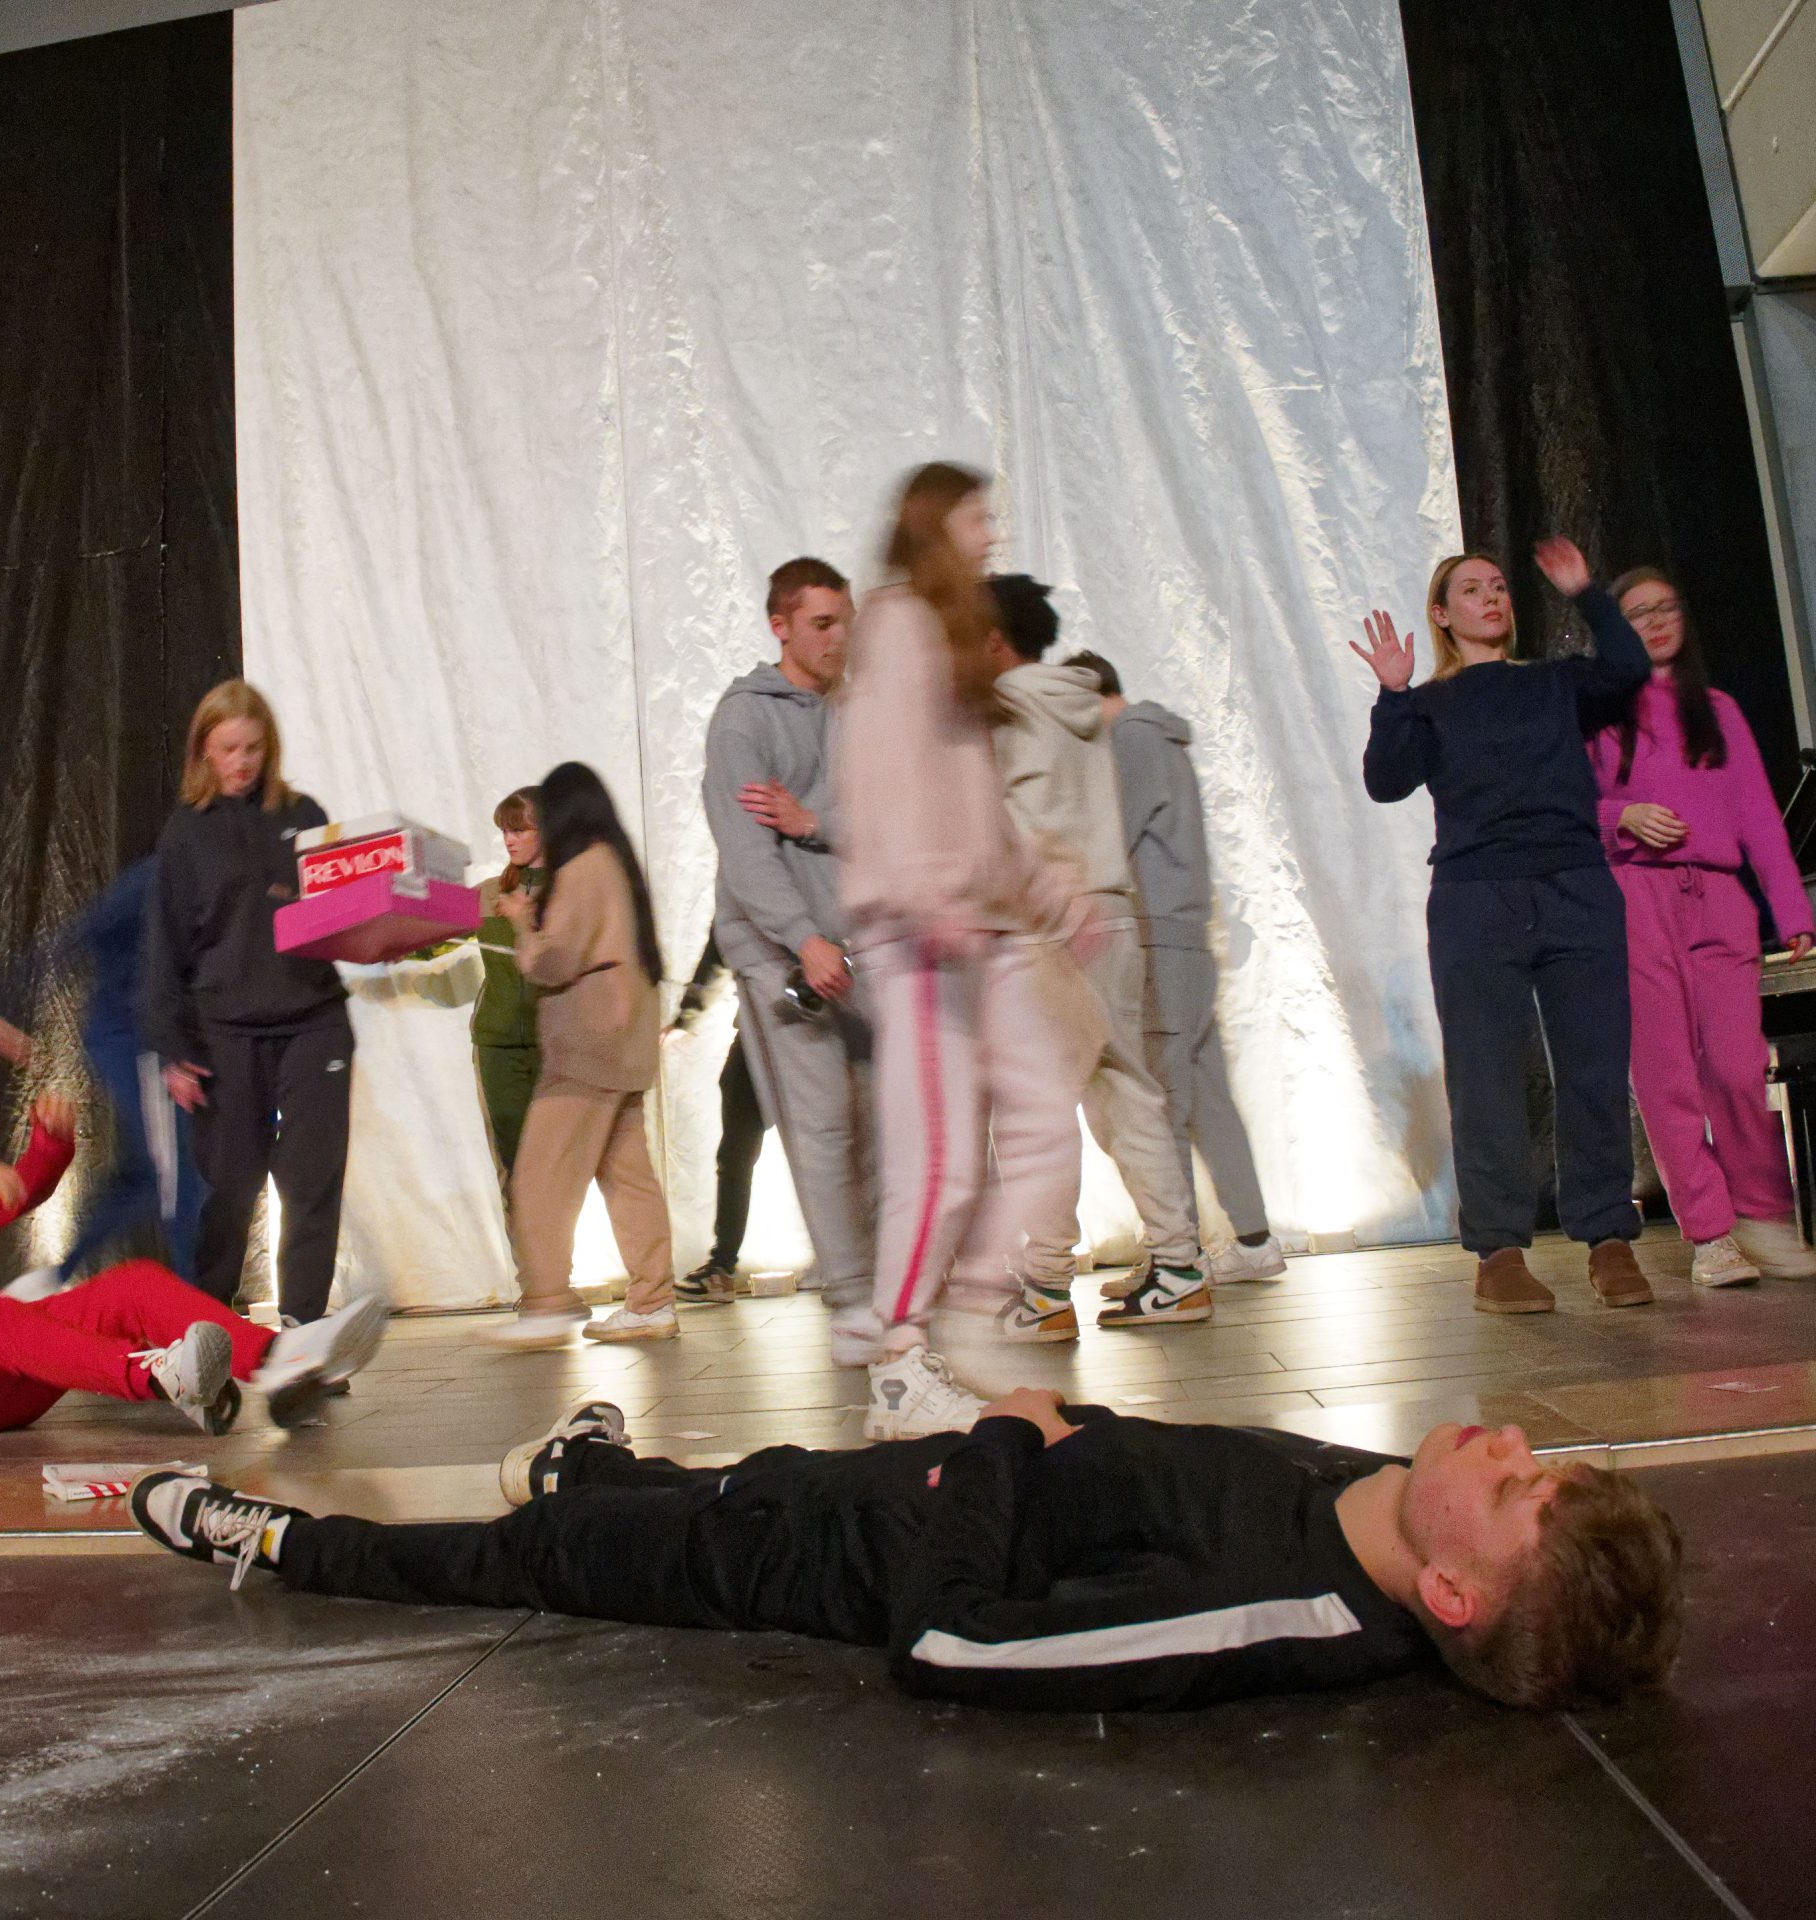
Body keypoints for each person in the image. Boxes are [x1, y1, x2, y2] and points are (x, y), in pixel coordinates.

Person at [129, 1392, 1683, 1716]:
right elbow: (1158, 1472)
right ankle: (594, 1461)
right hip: (873, 1483)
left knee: (528, 1553)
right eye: (1537, 1458)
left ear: (1455, 1595)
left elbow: (953, 1645)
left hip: (806, 1557)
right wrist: (1056, 1426)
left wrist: (1004, 1438)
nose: (1505, 1441)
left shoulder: (1274, 1612)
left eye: (1519, 1487)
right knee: (690, 1480)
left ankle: (277, 1537)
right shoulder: (1372, 1488)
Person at [834, 462, 1092, 1437]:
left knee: (1044, 1120)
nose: (991, 534)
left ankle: (973, 1308)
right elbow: (880, 777)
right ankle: (899, 1358)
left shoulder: (945, 636)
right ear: (935, 524)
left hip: (984, 926)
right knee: (939, 1157)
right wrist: (922, 892)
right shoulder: (897, 624)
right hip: (921, 935)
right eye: (977, 517)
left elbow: (975, 805)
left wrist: (1047, 891)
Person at [0, 1067, 387, 1438]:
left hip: (0, 1372)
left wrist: (49, 1147)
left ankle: (277, 1361)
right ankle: (160, 1376)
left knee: (130, 1284)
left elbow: (13, 1193)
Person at [1359, 541, 1654, 1313]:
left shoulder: (1555, 683)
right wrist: (1393, 694)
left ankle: (1608, 1238)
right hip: (1476, 897)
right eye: (1471, 589)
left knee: (1594, 1068)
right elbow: (1386, 781)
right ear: (1442, 613)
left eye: (1498, 586)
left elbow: (1629, 670)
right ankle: (1498, 1253)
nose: (1491, 597)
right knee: (1484, 1076)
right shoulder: (1431, 701)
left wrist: (1587, 592)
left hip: (1575, 886)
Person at [986, 576, 1210, 1337]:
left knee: (1033, 1113)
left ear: (991, 638)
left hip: (1047, 927)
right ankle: (1180, 1267)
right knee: (1127, 1094)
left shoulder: (1003, 711)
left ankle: (1046, 1290)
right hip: (1110, 915)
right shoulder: (1081, 704)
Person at [1592, 567, 1816, 1286]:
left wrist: (1793, 911)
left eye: (1666, 607)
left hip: (1719, 899)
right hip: (1639, 896)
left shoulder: (1716, 709)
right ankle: (1711, 1234)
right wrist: (1620, 815)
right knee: (1666, 1072)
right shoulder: (1598, 713)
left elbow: (1759, 817)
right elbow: (1565, 809)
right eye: (1638, 613)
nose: (1658, 621)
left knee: (1737, 1065)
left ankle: (1763, 1215)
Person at [702, 557, 876, 1355]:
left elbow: (889, 822)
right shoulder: (744, 720)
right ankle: (852, 1301)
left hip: (861, 947)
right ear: (780, 626)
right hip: (783, 956)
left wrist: (814, 821)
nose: (839, 638)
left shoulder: (858, 714)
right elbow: (746, 850)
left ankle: (887, 1292)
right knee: (822, 1125)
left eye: (845, 621)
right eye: (821, 623)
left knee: (880, 1127)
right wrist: (801, 939)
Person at [140, 680, 354, 1327]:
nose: (241, 762)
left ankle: (303, 1329)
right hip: (226, 1033)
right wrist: (173, 1050)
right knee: (229, 1187)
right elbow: (164, 947)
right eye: (229, 748)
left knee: (311, 1178)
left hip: (314, 1021)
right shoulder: (186, 833)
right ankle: (209, 1328)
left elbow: (341, 911)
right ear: (204, 750)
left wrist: (385, 933)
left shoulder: (304, 815)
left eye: (253, 748)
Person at [1067, 650, 1284, 1287]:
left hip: (1158, 941)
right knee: (1208, 1100)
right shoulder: (1164, 738)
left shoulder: (1132, 741)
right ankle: (1253, 1241)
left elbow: (1108, 841)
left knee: (1157, 1104)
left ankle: (1177, 1259)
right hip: (1185, 938)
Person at [481, 762, 676, 1347]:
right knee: (628, 1177)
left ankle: (546, 1303)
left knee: (538, 1175)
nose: (515, 837)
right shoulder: (614, 862)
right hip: (623, 1038)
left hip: (588, 1042)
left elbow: (552, 959)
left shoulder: (582, 869)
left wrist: (522, 923)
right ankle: (653, 1301)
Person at [0, 855, 208, 1293]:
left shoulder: (214, 872)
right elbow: (74, 939)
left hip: (167, 1038)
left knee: (145, 1177)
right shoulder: (155, 879)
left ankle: (59, 1275)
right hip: (133, 1040)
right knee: (177, 1175)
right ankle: (199, 1303)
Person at [671, 933, 769, 1304]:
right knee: (735, 1153)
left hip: (810, 1022)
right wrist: (687, 1015)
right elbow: (719, 946)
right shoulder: (736, 902)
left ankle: (850, 1265)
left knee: (825, 1144)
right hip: (757, 1030)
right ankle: (722, 1266)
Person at [472, 788, 546, 1188]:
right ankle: (523, 1234)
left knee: (556, 1171)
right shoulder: (488, 893)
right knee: (514, 1168)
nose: (509, 840)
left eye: (519, 830)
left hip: (556, 1046)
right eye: (504, 830)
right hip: (497, 1046)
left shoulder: (573, 893)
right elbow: (431, 933)